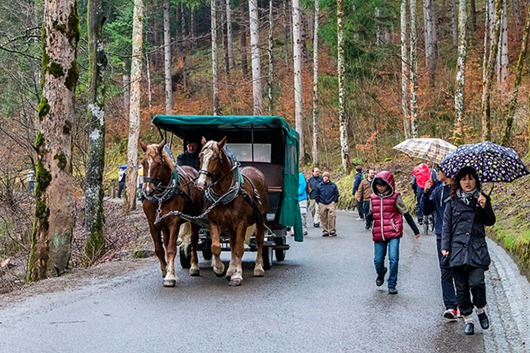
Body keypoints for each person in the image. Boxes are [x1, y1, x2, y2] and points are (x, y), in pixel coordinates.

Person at [441, 166, 496, 335]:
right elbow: (446, 226)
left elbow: (490, 221)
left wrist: (484, 206)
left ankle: (480, 308)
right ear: (459, 182)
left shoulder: (482, 198)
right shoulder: (451, 202)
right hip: (457, 250)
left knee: (477, 283)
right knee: (462, 288)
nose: (467, 182)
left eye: (471, 178)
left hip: (477, 249)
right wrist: (445, 246)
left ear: (476, 181)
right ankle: (468, 318)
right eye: (464, 179)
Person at [366, 171, 420, 295]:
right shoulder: (373, 197)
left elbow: (405, 213)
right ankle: (381, 273)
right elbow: (371, 213)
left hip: (393, 231)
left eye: (383, 185)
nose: (380, 188)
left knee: (393, 259)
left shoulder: (395, 197)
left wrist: (415, 230)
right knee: (378, 260)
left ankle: (392, 284)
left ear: (389, 184)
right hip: (379, 232)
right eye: (378, 185)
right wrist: (369, 218)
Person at [422, 165, 460, 320]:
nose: (436, 173)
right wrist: (426, 192)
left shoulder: (459, 191)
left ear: (447, 172)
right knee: (445, 271)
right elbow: (426, 210)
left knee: (458, 270)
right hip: (440, 235)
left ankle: (463, 305)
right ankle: (451, 306)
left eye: (439, 171)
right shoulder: (437, 191)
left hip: (458, 236)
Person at [315, 171, 339, 237]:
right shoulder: (319, 186)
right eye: (324, 177)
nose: (325, 178)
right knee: (323, 217)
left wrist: (334, 201)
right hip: (322, 202)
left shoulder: (333, 185)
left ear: (328, 178)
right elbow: (316, 194)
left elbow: (336, 193)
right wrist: (318, 202)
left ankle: (332, 230)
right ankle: (325, 231)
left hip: (331, 202)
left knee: (332, 216)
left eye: (326, 177)